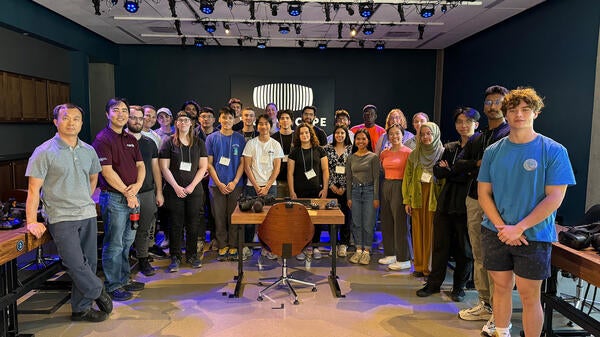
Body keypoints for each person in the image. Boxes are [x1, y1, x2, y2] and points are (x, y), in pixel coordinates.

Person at [478, 87, 575, 337]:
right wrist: (503, 227)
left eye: (525, 109)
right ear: (506, 115)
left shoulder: (553, 150)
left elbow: (555, 197)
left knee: (530, 295)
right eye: (512, 110)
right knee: (500, 288)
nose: (518, 114)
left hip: (533, 234)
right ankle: (501, 331)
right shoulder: (492, 152)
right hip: (495, 232)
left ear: (536, 113)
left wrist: (519, 227)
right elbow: (484, 194)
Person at [25, 103, 112, 322]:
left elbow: (93, 177)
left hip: (87, 213)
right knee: (75, 264)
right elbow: (34, 190)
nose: (71, 122)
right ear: (56, 121)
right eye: (65, 118)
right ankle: (97, 290)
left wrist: (82, 196)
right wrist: (31, 221)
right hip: (61, 217)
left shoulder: (89, 150)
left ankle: (81, 309)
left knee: (89, 263)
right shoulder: (44, 151)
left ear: (81, 123)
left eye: (76, 118)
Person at [453, 85, 510, 334]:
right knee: (479, 254)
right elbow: (458, 164)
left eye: (498, 101)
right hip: (475, 198)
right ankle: (485, 304)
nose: (492, 106)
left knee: (496, 259)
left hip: (499, 204)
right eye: (488, 102)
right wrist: (475, 163)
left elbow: (496, 167)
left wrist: (475, 164)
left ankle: (499, 313)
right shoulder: (481, 136)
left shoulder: (510, 134)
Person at [417, 107, 479, 301]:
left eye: (467, 122)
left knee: (464, 249)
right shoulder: (450, 148)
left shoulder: (480, 148)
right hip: (445, 201)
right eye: (460, 121)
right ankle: (434, 284)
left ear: (476, 124)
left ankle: (459, 287)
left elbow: (473, 171)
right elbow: (438, 171)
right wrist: (460, 169)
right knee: (440, 245)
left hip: (467, 201)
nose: (463, 125)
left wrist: (454, 169)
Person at [93, 97, 145, 302]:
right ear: (107, 114)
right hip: (114, 198)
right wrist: (128, 192)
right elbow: (106, 172)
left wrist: (137, 187)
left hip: (133, 196)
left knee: (127, 241)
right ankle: (113, 284)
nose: (122, 114)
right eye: (116, 110)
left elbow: (141, 166)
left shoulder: (130, 138)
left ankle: (124, 279)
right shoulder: (102, 139)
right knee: (114, 243)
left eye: (125, 110)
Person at [159, 111, 208, 272]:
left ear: (191, 123)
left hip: (194, 190)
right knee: (175, 224)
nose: (184, 123)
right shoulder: (168, 142)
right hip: (174, 191)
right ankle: (175, 256)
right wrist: (176, 187)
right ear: (177, 123)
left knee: (193, 224)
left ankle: (192, 255)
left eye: (187, 120)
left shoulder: (199, 143)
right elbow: (164, 167)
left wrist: (192, 186)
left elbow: (203, 167)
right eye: (181, 120)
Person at [126, 106, 164, 276]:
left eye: (140, 118)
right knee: (125, 230)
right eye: (133, 118)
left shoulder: (149, 143)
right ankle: (124, 261)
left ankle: (142, 259)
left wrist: (159, 192)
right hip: (125, 193)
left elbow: (156, 169)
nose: (137, 121)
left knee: (144, 228)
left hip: (147, 191)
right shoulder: (120, 141)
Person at [402, 122, 444, 277]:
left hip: (434, 198)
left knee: (432, 233)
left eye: (429, 133)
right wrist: (407, 200)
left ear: (435, 134)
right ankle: (419, 266)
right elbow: (408, 178)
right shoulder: (415, 154)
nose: (426, 137)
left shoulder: (442, 153)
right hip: (417, 196)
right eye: (422, 134)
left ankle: (430, 267)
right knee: (418, 232)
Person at [206, 107, 246, 260]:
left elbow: (243, 163)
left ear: (234, 120)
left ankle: (234, 245)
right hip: (216, 185)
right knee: (219, 216)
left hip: (235, 184)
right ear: (219, 119)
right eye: (224, 117)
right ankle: (222, 245)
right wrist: (219, 183)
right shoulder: (212, 138)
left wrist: (235, 181)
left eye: (230, 118)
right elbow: (209, 164)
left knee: (233, 216)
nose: (227, 120)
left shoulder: (239, 138)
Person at [243, 113, 284, 260]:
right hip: (251, 186)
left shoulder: (275, 144)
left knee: (269, 219)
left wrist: (266, 187)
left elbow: (277, 168)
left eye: (266, 123)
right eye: (260, 123)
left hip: (270, 187)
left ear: (270, 125)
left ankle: (268, 248)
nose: (263, 126)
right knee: (249, 220)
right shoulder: (251, 143)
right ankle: (247, 247)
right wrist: (256, 185)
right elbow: (247, 167)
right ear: (257, 125)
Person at [288, 123, 329, 260]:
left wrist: (325, 189)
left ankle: (315, 246)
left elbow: (325, 171)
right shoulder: (294, 152)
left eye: (307, 132)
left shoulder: (319, 150)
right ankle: (301, 247)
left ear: (311, 134)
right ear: (298, 136)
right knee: (300, 220)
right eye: (301, 133)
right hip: (299, 192)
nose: (304, 135)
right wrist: (292, 191)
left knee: (315, 220)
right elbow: (290, 173)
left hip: (316, 191)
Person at [378, 123, 412, 270]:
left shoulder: (408, 152)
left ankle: (404, 258)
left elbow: (410, 176)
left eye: (397, 133)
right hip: (386, 185)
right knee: (386, 221)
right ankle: (390, 254)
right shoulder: (384, 153)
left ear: (402, 135)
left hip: (400, 186)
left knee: (400, 222)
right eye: (391, 134)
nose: (394, 136)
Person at [346, 129, 380, 265]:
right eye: (358, 139)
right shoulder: (351, 157)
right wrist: (348, 196)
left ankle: (366, 251)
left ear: (368, 141)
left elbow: (377, 178)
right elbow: (348, 178)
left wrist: (376, 197)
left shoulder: (373, 157)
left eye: (363, 139)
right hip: (354, 192)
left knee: (368, 223)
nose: (360, 141)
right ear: (355, 141)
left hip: (369, 191)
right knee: (356, 223)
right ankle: (358, 249)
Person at [324, 125, 353, 257]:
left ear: (346, 135)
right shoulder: (327, 149)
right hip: (331, 188)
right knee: (332, 216)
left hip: (346, 188)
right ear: (334, 134)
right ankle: (333, 244)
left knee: (346, 216)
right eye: (337, 133)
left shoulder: (352, 149)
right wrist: (331, 186)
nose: (340, 135)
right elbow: (324, 169)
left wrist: (345, 187)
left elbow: (353, 170)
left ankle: (344, 244)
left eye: (342, 133)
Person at [271, 109, 294, 198]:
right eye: (282, 118)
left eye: (287, 118)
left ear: (292, 121)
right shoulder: (273, 138)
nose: (285, 120)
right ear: (278, 121)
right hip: (277, 179)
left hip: (294, 179)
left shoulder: (297, 137)